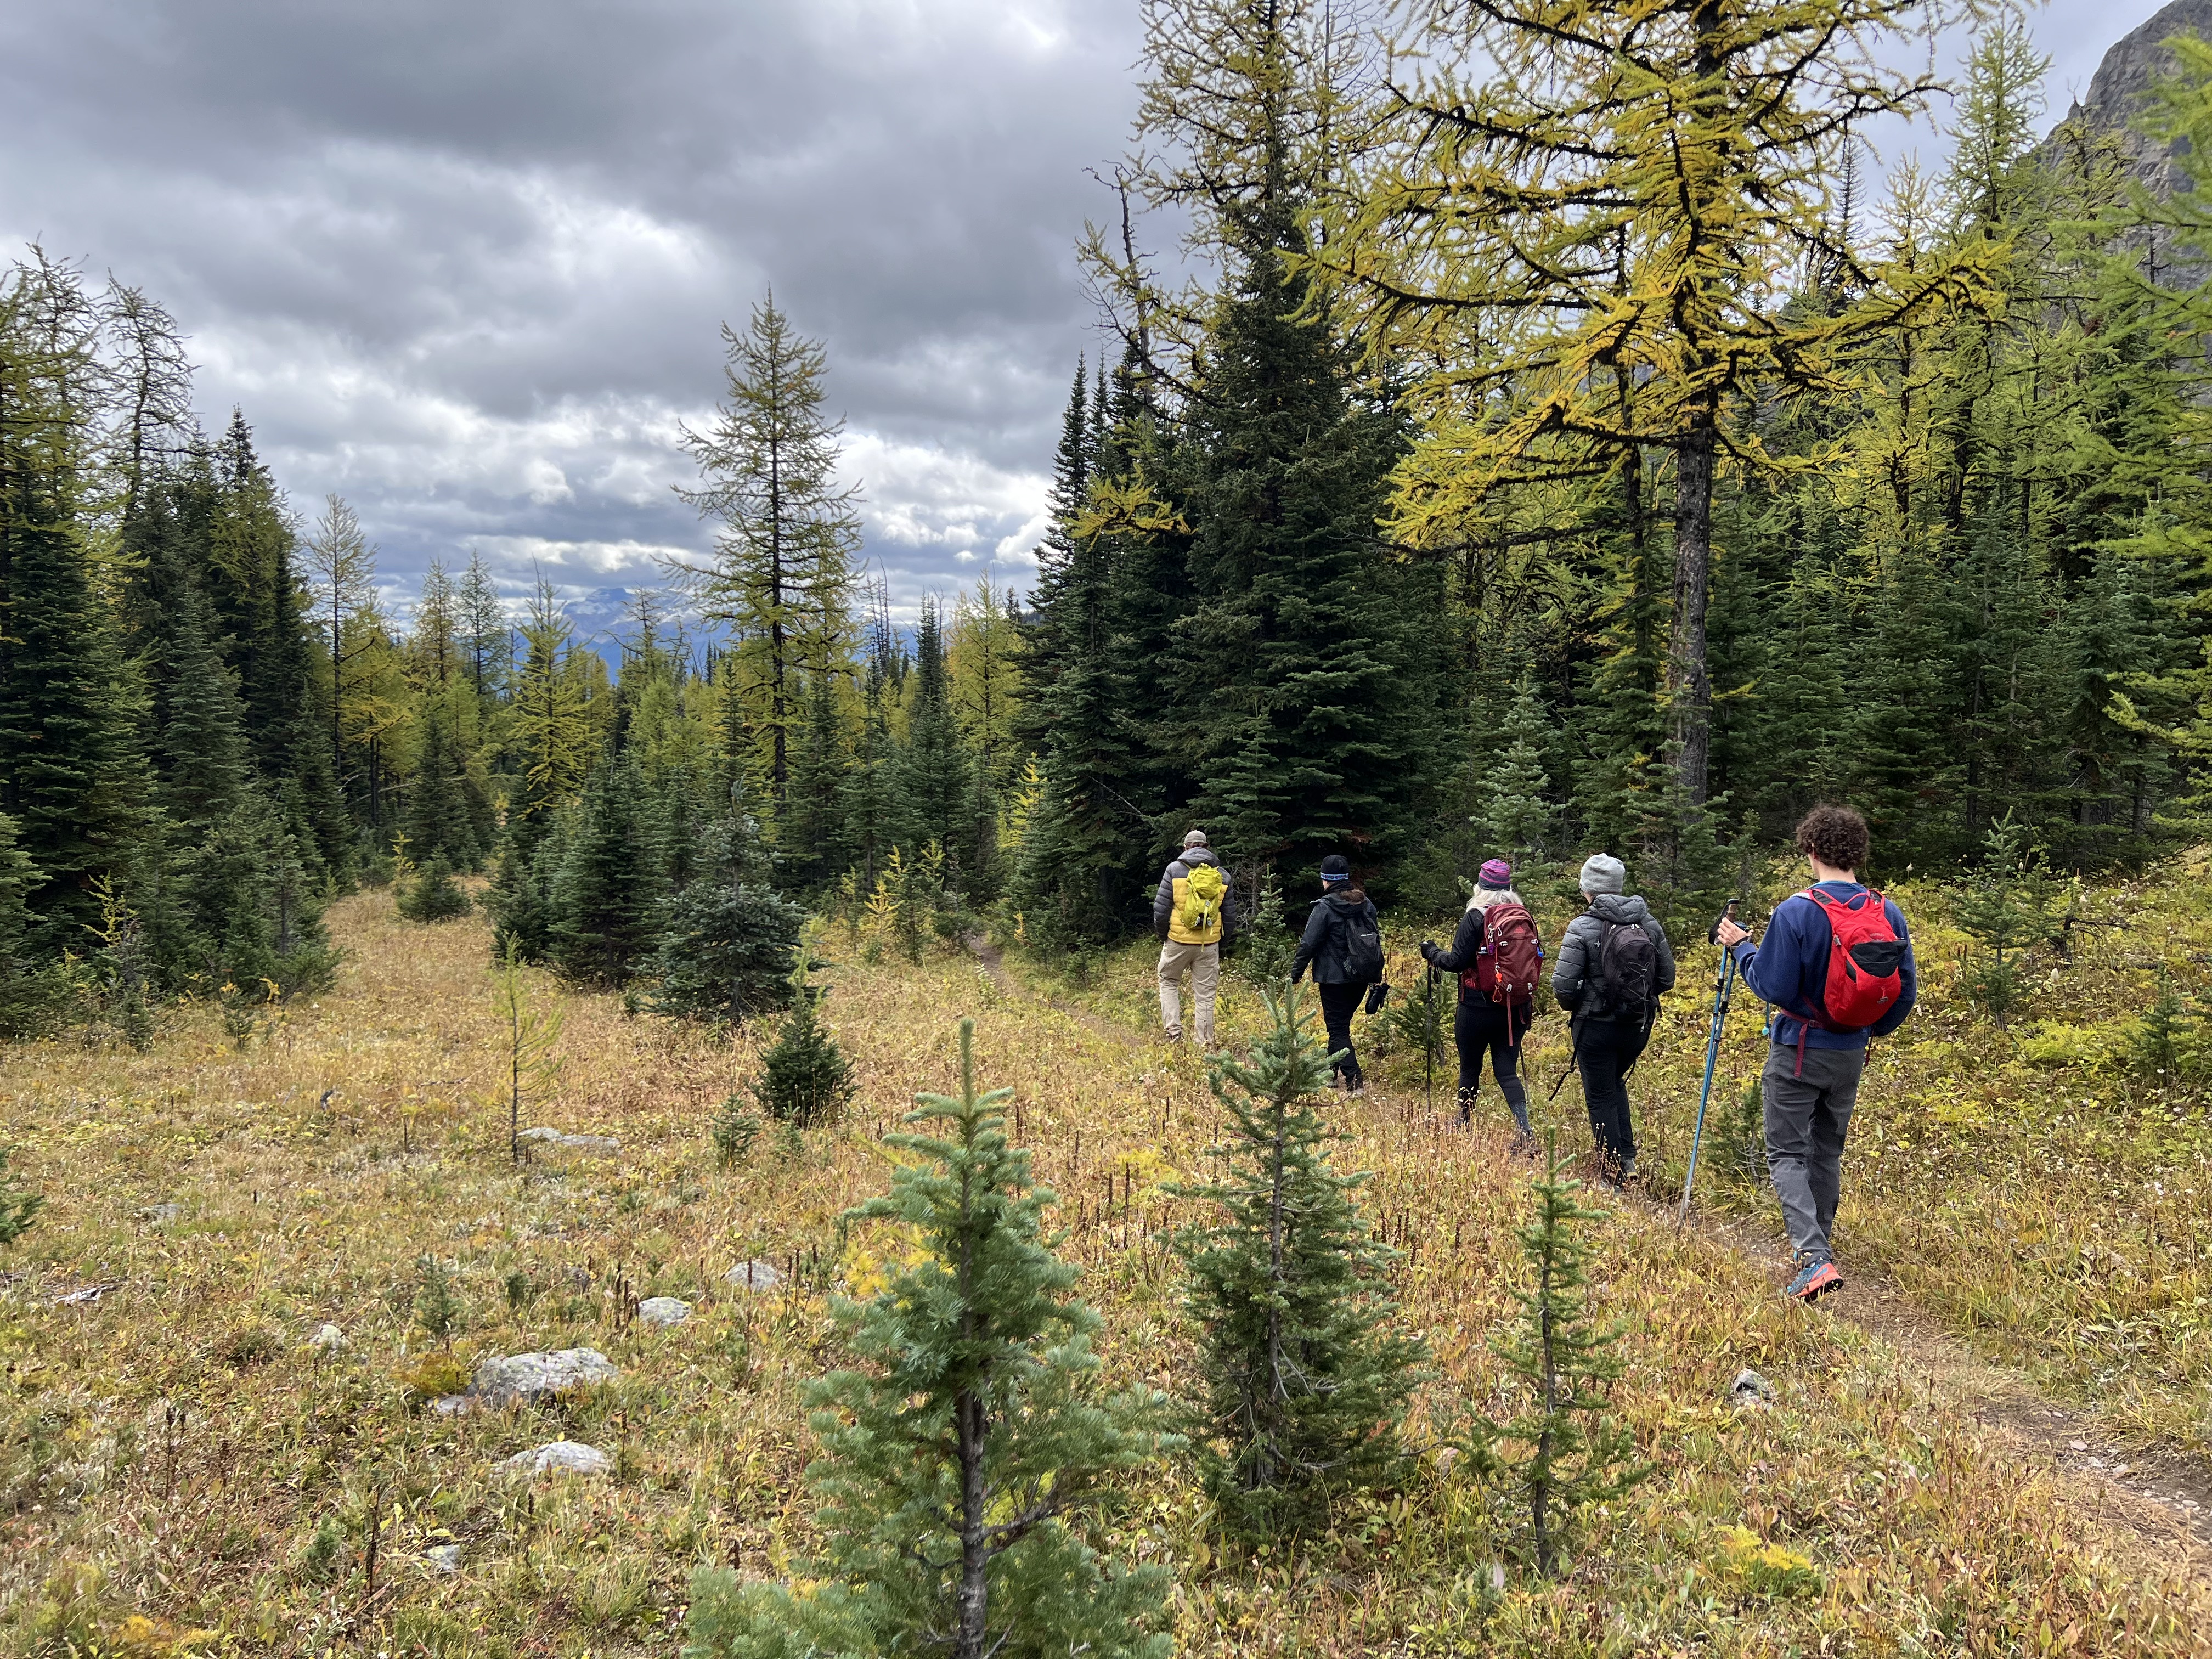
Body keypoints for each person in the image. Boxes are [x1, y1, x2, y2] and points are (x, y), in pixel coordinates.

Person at [1717, 804, 1917, 1304]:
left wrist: (1742, 947)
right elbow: (1906, 991)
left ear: (1811, 849)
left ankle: (1813, 1259)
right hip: (1851, 1052)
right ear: (1855, 852)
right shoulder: (1886, 910)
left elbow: (1773, 986)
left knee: (1786, 1152)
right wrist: (1870, 1032)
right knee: (1827, 1151)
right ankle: (1820, 1248)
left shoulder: (1797, 911)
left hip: (1799, 1050)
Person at [1551, 853, 1675, 1183]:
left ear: (1587, 889)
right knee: (1614, 1083)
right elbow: (1667, 979)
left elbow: (1562, 986)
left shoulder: (1581, 926)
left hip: (1594, 1027)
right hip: (1637, 1026)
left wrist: (1580, 1006)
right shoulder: (1648, 923)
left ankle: (1614, 1176)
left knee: (1601, 1094)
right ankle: (1628, 1159)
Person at [1419, 858, 1537, 1147]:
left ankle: (1462, 1121)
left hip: (1476, 1006)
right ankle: (1525, 1130)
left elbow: (1456, 962)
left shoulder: (1475, 916)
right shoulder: (1522, 915)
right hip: (1514, 1007)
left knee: (1470, 1068)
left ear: (1481, 885)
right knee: (1506, 1070)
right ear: (1508, 886)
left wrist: (1431, 952)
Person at [1289, 854, 1382, 1094]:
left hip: (1334, 979)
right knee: (1341, 1025)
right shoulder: (1366, 904)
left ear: (1326, 880)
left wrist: (1295, 973)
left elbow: (1308, 944)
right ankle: (1331, 1073)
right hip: (1362, 976)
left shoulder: (1325, 907)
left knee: (1337, 1029)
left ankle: (1354, 1082)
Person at [1153, 829, 1237, 1047]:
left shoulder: (1173, 870)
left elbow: (1161, 910)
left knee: (1169, 981)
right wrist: (1221, 942)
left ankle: (1174, 1034)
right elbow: (1230, 916)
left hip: (1177, 942)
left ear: (1185, 848)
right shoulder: (1223, 875)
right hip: (1208, 943)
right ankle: (1204, 1042)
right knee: (1206, 994)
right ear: (1207, 847)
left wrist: (1165, 936)